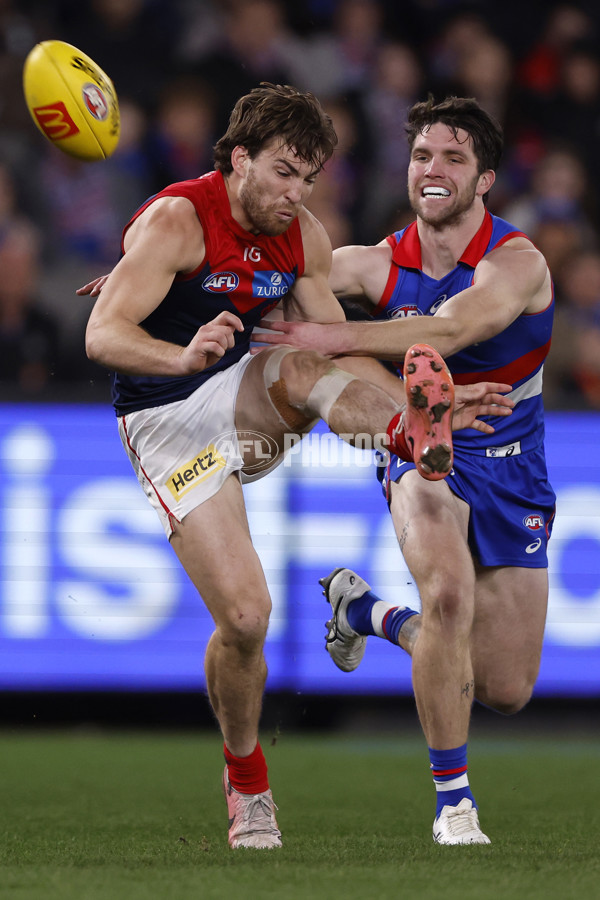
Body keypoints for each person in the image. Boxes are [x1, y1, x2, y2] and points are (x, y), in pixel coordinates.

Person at [81, 84, 514, 850]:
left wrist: (422, 407)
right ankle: (247, 783)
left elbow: (337, 348)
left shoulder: (303, 237)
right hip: (165, 425)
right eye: (284, 172)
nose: (296, 194)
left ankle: (410, 438)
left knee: (299, 361)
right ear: (239, 158)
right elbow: (103, 335)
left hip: (242, 396)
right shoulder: (179, 219)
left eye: (309, 178)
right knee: (245, 621)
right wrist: (180, 354)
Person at [256, 95, 556, 845]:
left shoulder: (518, 261)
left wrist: (336, 330)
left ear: (484, 178)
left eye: (454, 157)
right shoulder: (372, 264)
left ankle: (368, 614)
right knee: (449, 599)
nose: (433, 168)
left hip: (513, 467)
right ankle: (454, 806)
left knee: (507, 689)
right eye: (423, 154)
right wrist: (159, 286)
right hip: (423, 457)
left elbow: (457, 327)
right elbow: (272, 265)